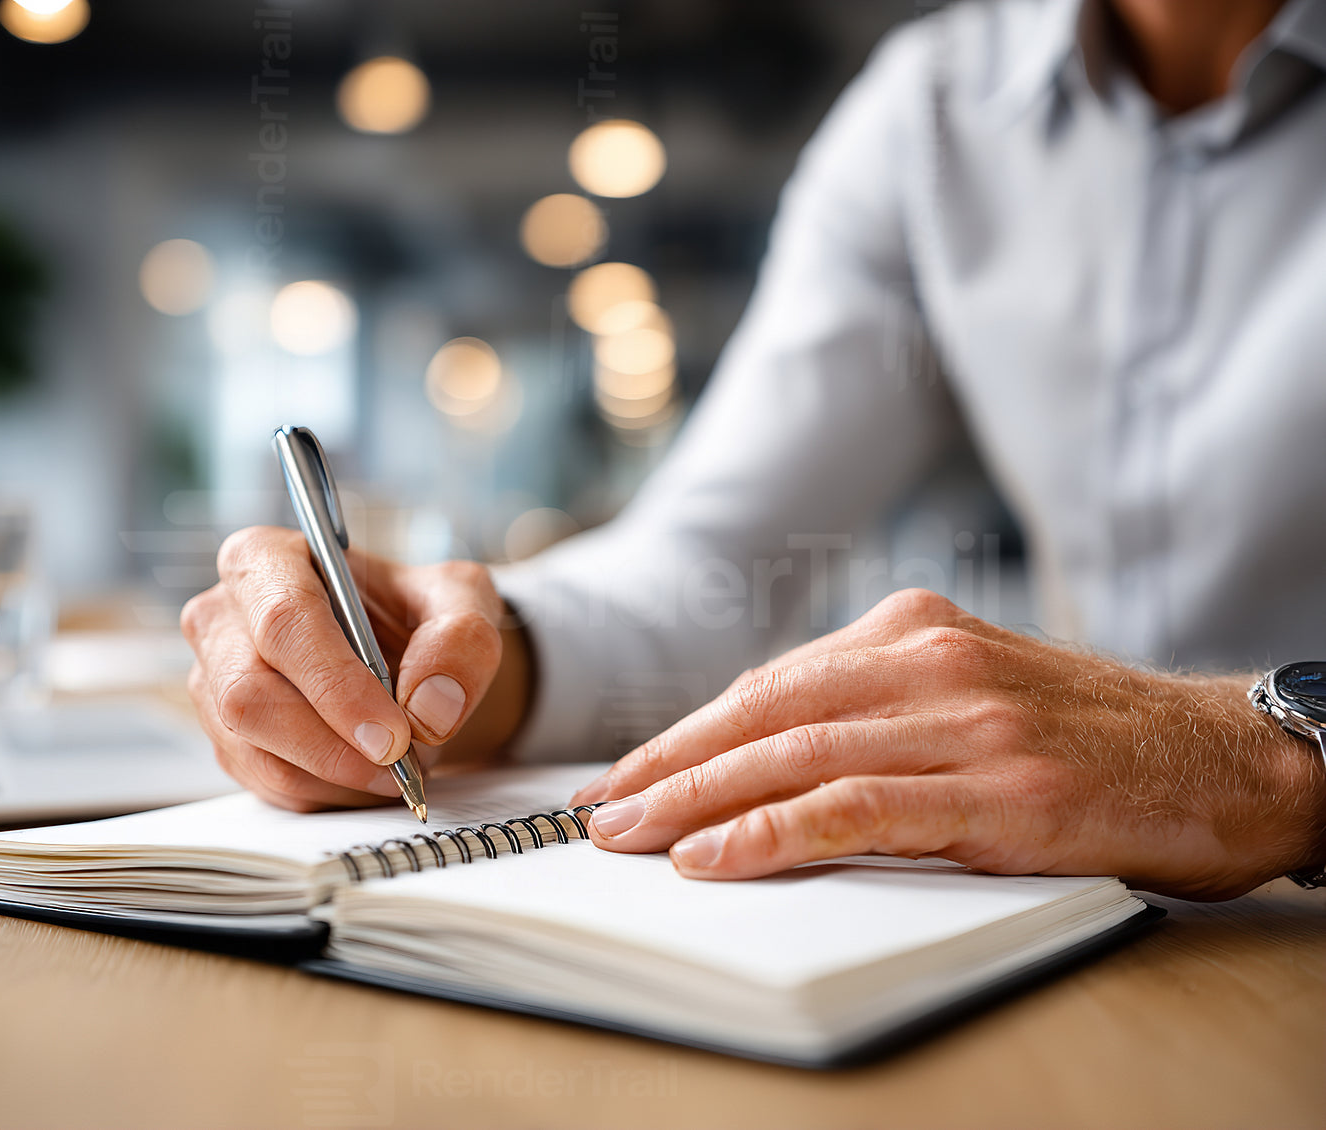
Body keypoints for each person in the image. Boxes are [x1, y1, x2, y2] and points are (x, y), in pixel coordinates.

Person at [180, 0, 1326, 900]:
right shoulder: (936, 111)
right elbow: (711, 564)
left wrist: (1260, 758)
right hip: (1087, 915)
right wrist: (466, 654)